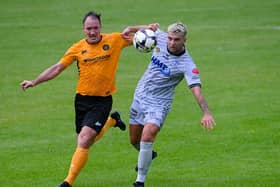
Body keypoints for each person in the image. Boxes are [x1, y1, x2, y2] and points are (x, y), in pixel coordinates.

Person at [20, 11, 136, 187]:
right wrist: (34, 82)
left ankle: (67, 182)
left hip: (102, 101)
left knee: (84, 139)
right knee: (84, 141)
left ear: (100, 28)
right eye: (89, 28)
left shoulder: (114, 40)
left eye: (95, 28)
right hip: (81, 100)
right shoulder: (77, 48)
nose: (92, 32)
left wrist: (146, 28)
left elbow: (143, 38)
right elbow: (57, 68)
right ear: (83, 29)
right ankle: (112, 121)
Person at [127, 22, 216, 187]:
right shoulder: (159, 37)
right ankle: (148, 155)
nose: (172, 43)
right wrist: (130, 29)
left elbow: (196, 90)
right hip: (140, 95)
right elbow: (147, 29)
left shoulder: (187, 64)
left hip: (159, 104)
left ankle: (140, 181)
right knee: (134, 140)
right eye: (170, 38)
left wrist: (206, 112)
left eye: (176, 40)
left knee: (148, 135)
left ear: (184, 41)